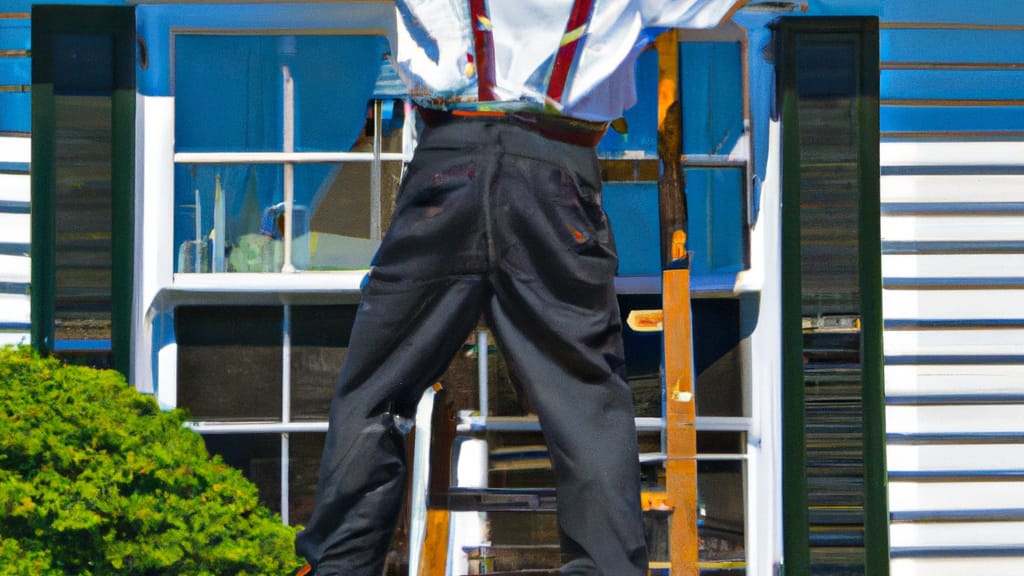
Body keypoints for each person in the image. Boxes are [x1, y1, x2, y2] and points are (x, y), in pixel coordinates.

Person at [295, 1, 744, 574]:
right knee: (585, 402)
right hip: (554, 173)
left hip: (445, 167)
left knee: (376, 390)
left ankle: (340, 565)